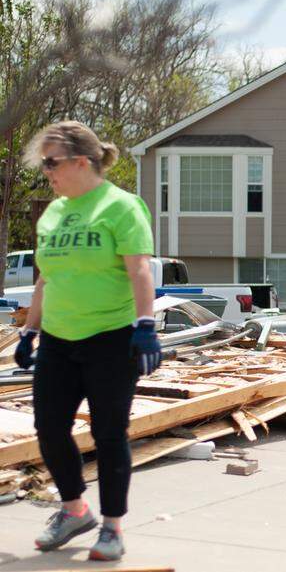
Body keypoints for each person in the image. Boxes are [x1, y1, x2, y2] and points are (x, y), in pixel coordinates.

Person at [14, 121, 159, 561]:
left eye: (51, 162)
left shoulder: (120, 206)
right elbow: (46, 280)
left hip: (110, 338)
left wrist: (146, 324)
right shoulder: (54, 213)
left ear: (82, 161)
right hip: (58, 338)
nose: (47, 172)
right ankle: (75, 509)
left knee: (109, 432)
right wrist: (29, 331)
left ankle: (112, 527)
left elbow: (138, 269)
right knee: (49, 427)